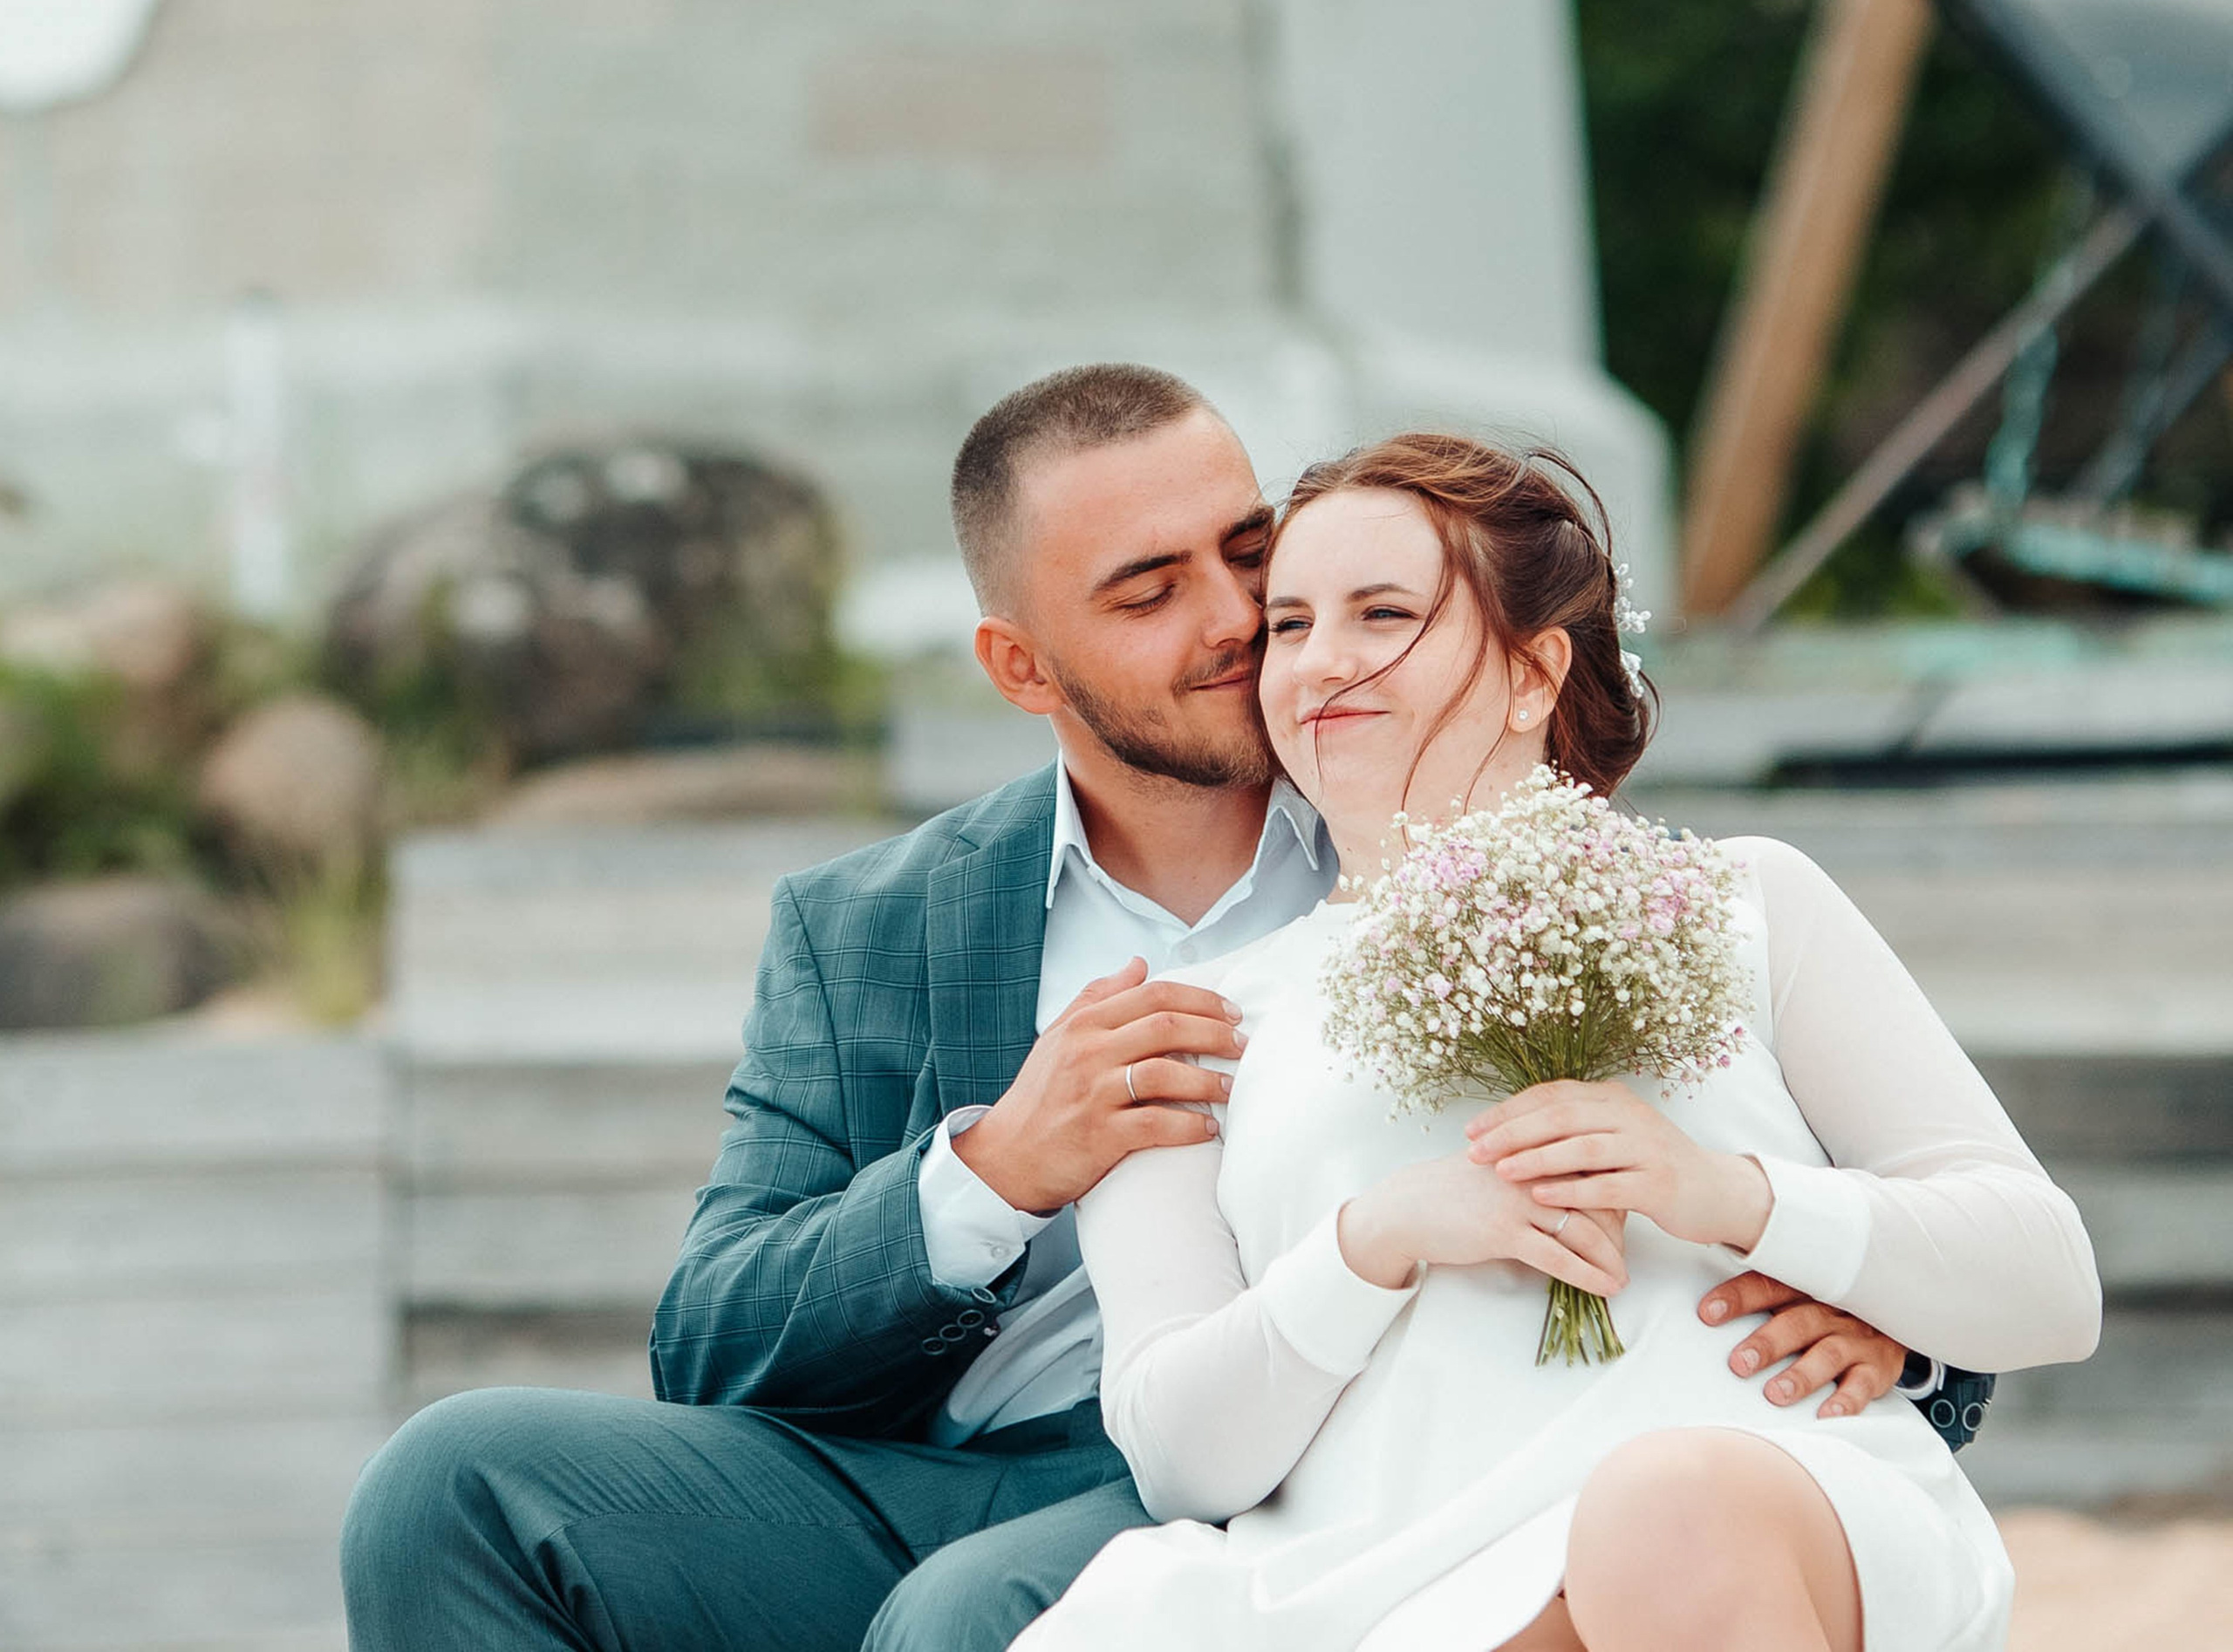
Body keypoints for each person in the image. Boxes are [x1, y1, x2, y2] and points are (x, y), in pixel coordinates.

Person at [339, 372, 1943, 1652]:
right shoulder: (868, 926)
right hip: (918, 1464)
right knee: (448, 1487)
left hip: (1298, 1457)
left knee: (970, 1622)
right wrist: (994, 1170)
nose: (1244, 619)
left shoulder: (1452, 831)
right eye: (1149, 590)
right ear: (1022, 667)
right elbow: (714, 1338)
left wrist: (1902, 1327)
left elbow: (1793, 1139)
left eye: (1251, 549)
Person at [1011, 433, 2104, 1652]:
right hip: (1389, 1576)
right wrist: (1374, 1241)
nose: (1321, 663)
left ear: (1534, 674)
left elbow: (2048, 1284)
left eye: (1384, 614)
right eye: (1291, 624)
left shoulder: (1742, 899)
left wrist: (1729, 1195)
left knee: (1660, 1512)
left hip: (1740, 1513)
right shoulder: (1190, 1025)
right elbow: (1180, 1457)